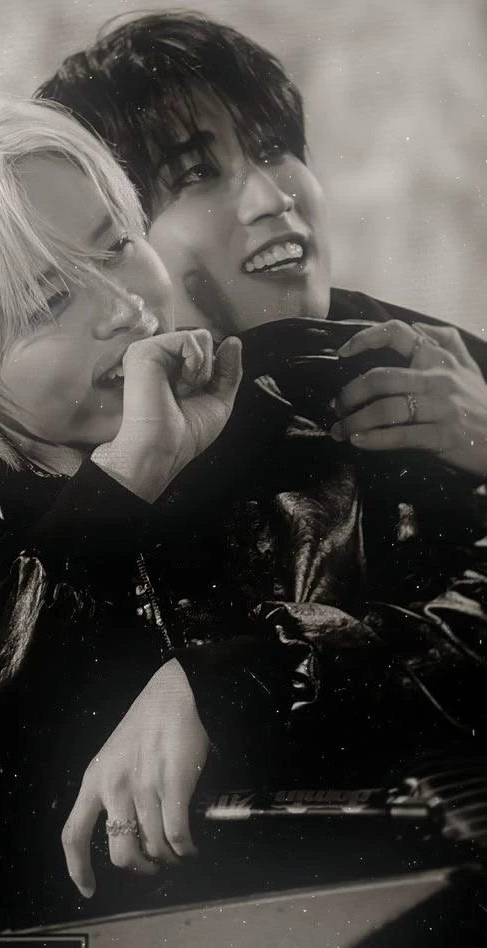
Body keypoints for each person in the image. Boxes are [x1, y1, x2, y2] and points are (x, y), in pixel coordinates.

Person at [0, 92, 486, 941]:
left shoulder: (315, 388)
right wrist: (120, 485)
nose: (123, 306)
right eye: (47, 303)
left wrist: (239, 677)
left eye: (118, 247)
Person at [37, 10, 487, 898]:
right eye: (195, 173)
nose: (271, 196)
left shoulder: (438, 367)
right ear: (116, 240)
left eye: (275, 148)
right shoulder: (51, 429)